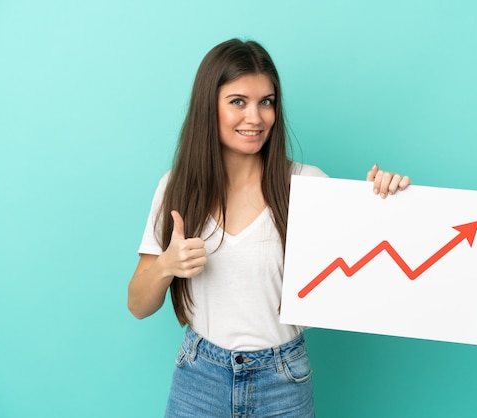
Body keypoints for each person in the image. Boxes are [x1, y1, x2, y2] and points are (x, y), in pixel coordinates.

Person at [127, 38, 410, 418]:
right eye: (238, 101)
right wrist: (166, 265)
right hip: (199, 379)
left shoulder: (309, 187)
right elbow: (138, 305)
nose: (256, 118)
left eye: (267, 102)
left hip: (283, 381)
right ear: (208, 107)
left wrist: (387, 196)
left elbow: (382, 257)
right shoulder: (176, 187)